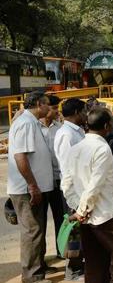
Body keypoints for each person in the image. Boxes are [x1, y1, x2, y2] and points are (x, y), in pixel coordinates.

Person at [61, 107, 113, 283]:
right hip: (106, 216)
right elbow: (95, 185)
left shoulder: (75, 148)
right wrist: (82, 210)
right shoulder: (102, 149)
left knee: (95, 264)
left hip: (87, 218)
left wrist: (80, 208)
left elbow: (66, 185)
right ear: (107, 125)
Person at [7, 91, 54, 283]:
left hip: (34, 187)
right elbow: (20, 157)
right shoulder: (26, 123)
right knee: (32, 231)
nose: (49, 108)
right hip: (27, 189)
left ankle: (38, 266)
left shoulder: (31, 122)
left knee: (37, 229)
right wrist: (32, 186)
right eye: (47, 104)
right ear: (37, 103)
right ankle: (32, 276)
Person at [54, 97, 87, 280]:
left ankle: (79, 265)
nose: (85, 114)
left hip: (79, 188)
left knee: (80, 231)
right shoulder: (67, 134)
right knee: (74, 232)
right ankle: (73, 269)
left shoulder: (77, 131)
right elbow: (68, 169)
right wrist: (73, 199)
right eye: (83, 111)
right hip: (72, 191)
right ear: (76, 113)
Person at [39, 95, 63, 258]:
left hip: (58, 180)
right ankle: (40, 259)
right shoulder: (33, 128)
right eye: (54, 108)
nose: (56, 111)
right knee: (39, 223)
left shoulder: (60, 128)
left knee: (61, 219)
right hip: (40, 182)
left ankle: (62, 252)